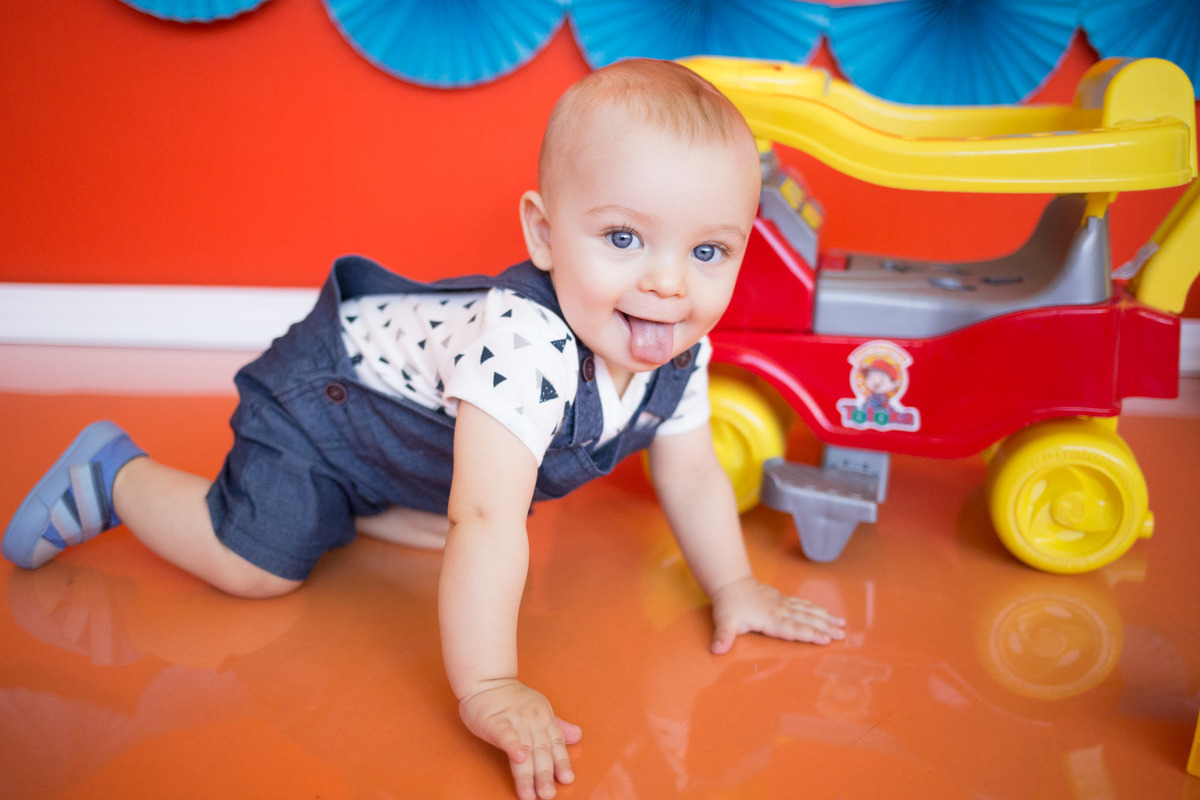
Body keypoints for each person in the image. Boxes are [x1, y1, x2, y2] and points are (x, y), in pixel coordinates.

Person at [3, 58, 845, 800]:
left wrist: (734, 587)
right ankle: (114, 473)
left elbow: (692, 473)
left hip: (405, 440)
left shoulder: (675, 349)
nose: (667, 284)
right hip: (324, 401)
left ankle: (362, 506)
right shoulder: (530, 343)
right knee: (258, 566)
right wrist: (491, 686)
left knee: (449, 526)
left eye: (710, 253)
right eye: (624, 238)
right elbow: (484, 517)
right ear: (545, 236)